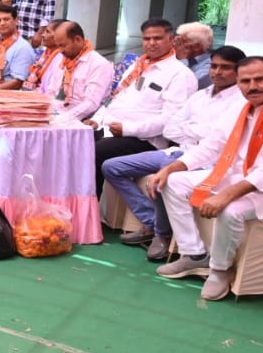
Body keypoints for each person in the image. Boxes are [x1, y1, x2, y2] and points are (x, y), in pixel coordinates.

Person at [150, 56, 263, 301]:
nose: (253, 86)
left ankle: (219, 270)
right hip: (238, 176)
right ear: (238, 83)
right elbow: (212, 146)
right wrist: (174, 166)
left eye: (260, 79)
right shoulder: (238, 108)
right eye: (245, 81)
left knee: (231, 210)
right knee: (173, 182)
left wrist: (226, 195)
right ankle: (194, 254)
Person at [101, 45, 246, 259]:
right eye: (214, 66)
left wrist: (189, 131)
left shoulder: (241, 102)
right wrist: (195, 133)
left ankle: (162, 235)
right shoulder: (201, 96)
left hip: (207, 162)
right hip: (178, 151)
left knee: (165, 177)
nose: (217, 72)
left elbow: (217, 138)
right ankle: (151, 222)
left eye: (225, 68)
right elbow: (170, 127)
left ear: (238, 71)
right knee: (112, 166)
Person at [87, 18, 198, 198]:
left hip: (145, 140)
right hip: (110, 129)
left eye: (157, 38)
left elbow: (170, 120)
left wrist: (127, 129)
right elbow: (114, 98)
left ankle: (89, 210)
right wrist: (97, 119)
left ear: (172, 40)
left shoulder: (180, 75)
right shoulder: (137, 66)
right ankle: (67, 203)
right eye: (147, 39)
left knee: (95, 151)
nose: (151, 43)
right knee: (73, 141)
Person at [42, 21, 113, 122]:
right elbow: (51, 92)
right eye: (58, 46)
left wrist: (61, 119)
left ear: (78, 40)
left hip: (82, 121)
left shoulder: (98, 64)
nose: (60, 51)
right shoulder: (64, 61)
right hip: (58, 114)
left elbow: (90, 104)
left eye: (63, 45)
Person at [23, 18, 66, 93]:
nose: (42, 35)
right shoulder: (45, 52)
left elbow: (49, 91)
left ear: (60, 36)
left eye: (47, 32)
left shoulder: (60, 58)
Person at [174, 22, 215, 89]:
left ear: (197, 47)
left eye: (182, 42)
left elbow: (184, 85)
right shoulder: (175, 58)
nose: (176, 44)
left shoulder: (211, 65)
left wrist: (182, 59)